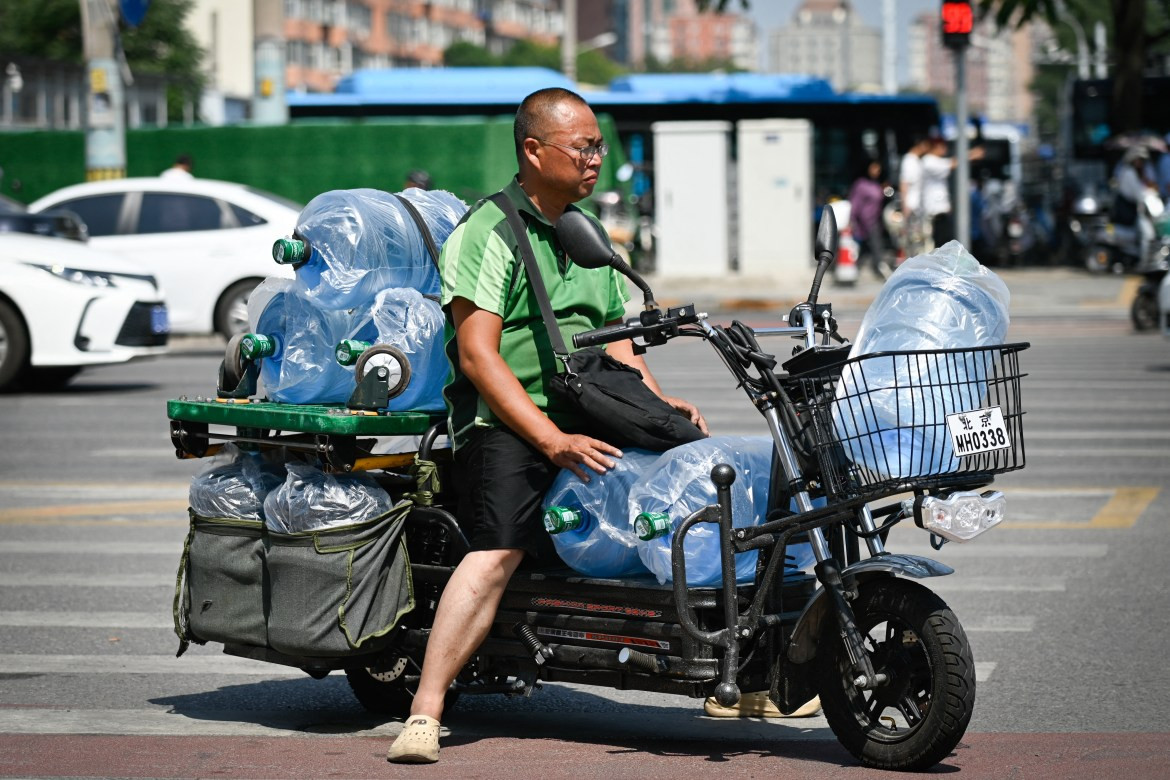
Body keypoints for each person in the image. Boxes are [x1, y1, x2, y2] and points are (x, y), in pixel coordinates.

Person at [386, 87, 708, 764]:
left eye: (599, 146)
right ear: (533, 151)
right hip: (506, 424)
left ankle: (733, 673)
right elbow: (478, 356)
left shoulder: (588, 234)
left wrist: (660, 406)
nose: (596, 158)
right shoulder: (488, 233)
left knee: (702, 494)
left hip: (589, 409)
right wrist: (550, 440)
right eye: (582, 146)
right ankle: (426, 709)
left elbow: (619, 346)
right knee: (498, 551)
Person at [849, 160, 891, 279]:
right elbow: (855, 203)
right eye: (874, 168)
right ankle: (877, 268)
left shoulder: (877, 184)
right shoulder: (861, 184)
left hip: (875, 219)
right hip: (864, 220)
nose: (876, 171)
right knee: (872, 245)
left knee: (870, 246)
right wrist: (851, 220)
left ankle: (865, 267)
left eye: (878, 169)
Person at [898, 135, 930, 257]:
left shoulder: (917, 160)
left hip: (918, 207)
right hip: (911, 206)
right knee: (912, 240)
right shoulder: (909, 160)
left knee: (919, 240)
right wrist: (905, 205)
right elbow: (904, 183)